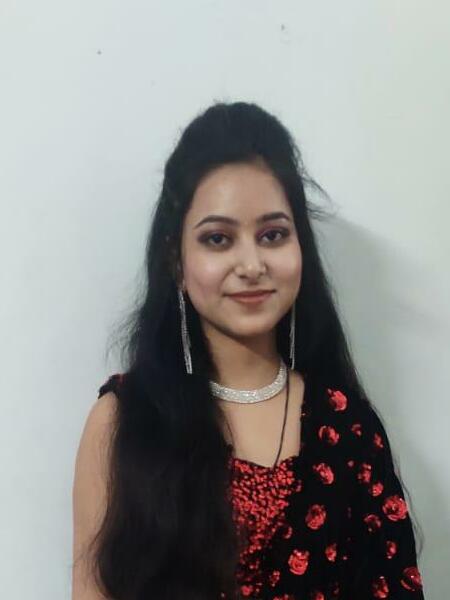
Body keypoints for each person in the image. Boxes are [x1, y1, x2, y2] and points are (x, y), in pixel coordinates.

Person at [72, 101, 425, 599]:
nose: (252, 264)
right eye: (218, 239)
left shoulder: (348, 427)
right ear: (176, 259)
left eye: (272, 235)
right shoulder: (125, 422)